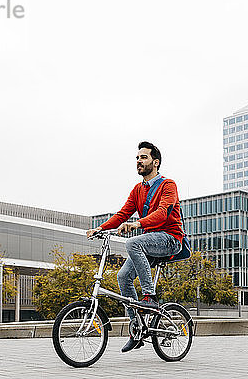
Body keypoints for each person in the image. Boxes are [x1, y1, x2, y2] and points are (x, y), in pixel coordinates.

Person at [86, 141, 184, 352]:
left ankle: (150, 296)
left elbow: (163, 213)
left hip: (170, 239)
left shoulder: (168, 185)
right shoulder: (138, 189)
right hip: (150, 242)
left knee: (132, 242)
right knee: (122, 277)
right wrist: (100, 228)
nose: (139, 161)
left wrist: (138, 224)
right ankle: (137, 328)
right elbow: (123, 214)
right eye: (137, 158)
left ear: (155, 162)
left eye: (144, 157)